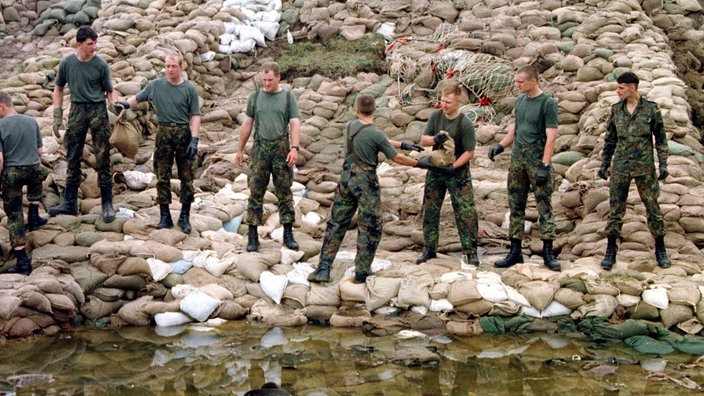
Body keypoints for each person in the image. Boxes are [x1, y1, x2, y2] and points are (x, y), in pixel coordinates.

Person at [307, 94, 431, 283]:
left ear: (357, 109)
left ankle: (323, 268)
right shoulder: (375, 133)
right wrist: (419, 163)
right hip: (366, 184)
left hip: (346, 180)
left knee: (336, 223)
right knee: (370, 227)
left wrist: (403, 144)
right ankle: (362, 271)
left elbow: (377, 140)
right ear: (375, 110)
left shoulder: (350, 127)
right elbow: (395, 157)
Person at [116, 52, 201, 233]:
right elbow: (138, 98)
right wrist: (125, 104)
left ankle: (184, 216)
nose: (170, 70)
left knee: (187, 177)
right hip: (163, 134)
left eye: (173, 67)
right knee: (162, 176)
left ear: (181, 67)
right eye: (168, 66)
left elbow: (195, 115)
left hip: (183, 133)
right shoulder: (155, 86)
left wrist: (194, 139)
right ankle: (165, 215)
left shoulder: (189, 90)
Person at [489, 65, 560, 271]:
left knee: (544, 206)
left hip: (537, 159)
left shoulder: (547, 104)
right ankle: (515, 251)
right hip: (518, 160)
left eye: (520, 81)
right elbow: (516, 128)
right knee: (515, 205)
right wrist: (501, 145)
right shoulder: (520, 101)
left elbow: (551, 136)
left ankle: (548, 252)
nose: (517, 85)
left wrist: (545, 165)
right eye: (516, 81)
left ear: (533, 81)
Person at [598, 71, 670, 270]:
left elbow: (661, 139)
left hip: (644, 167)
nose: (617, 91)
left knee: (653, 208)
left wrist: (663, 164)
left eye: (621, 87)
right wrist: (605, 163)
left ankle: (660, 249)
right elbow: (610, 139)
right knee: (615, 210)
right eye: (617, 87)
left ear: (632, 88)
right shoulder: (616, 110)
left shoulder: (650, 110)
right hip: (621, 166)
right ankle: (611, 250)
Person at [49, 25, 118, 223]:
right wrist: (56, 114)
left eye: (95, 43)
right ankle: (69, 202)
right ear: (79, 44)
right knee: (72, 154)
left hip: (97, 109)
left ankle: (107, 203)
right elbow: (59, 88)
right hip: (77, 110)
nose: (94, 47)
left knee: (103, 155)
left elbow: (109, 90)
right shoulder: (67, 63)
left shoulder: (101, 65)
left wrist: (115, 107)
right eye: (90, 44)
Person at [236, 62, 301, 252]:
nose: (266, 84)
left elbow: (295, 124)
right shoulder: (255, 98)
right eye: (264, 80)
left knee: (284, 192)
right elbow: (247, 124)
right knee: (255, 191)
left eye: (270, 80)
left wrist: (295, 148)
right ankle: (253, 235)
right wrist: (239, 149)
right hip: (260, 149)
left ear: (278, 77)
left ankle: (288, 233)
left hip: (281, 149)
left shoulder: (288, 98)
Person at [415, 84, 479, 266]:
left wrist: (453, 167)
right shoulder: (436, 117)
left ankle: (470, 251)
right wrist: (435, 140)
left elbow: (469, 152)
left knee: (465, 211)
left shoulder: (465, 123)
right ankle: (429, 249)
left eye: (448, 102)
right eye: (442, 100)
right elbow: (424, 139)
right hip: (436, 171)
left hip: (458, 173)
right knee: (430, 209)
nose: (444, 105)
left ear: (459, 101)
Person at [0, 91, 47, 275]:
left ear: (1, 107)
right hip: (33, 170)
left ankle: (22, 262)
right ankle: (34, 216)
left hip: (12, 173)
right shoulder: (31, 121)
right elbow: (40, 151)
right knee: (39, 172)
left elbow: (1, 159)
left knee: (14, 215)